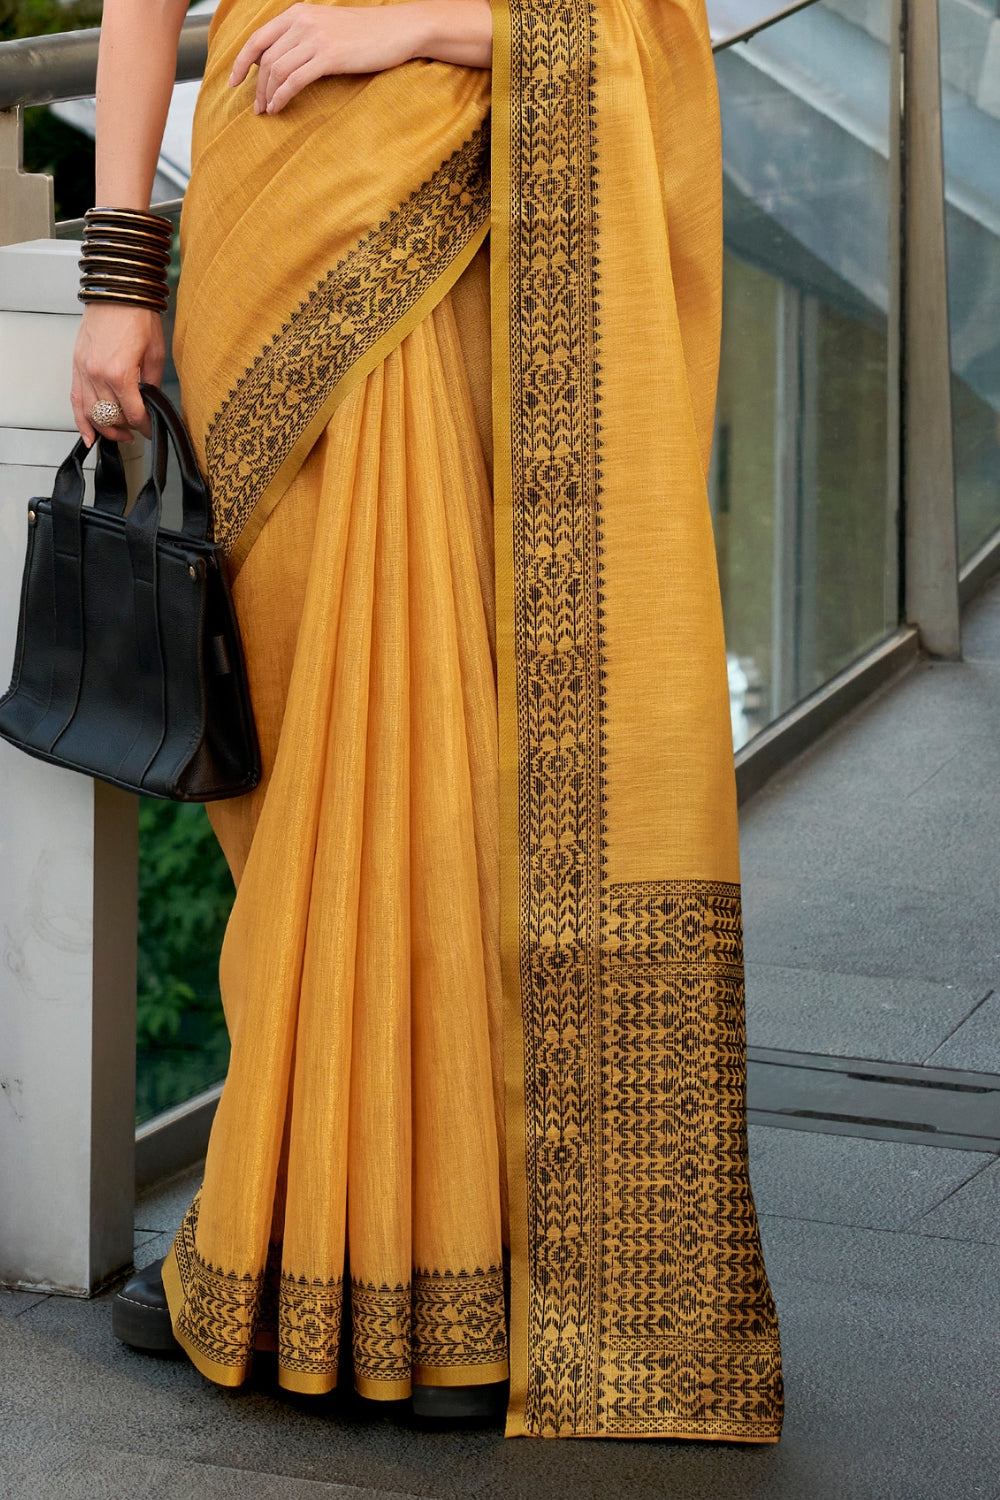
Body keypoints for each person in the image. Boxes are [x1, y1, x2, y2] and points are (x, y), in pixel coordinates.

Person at [73, 0, 784, 1441]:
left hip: (466, 235)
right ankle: (317, 1219)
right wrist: (117, 278)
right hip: (273, 241)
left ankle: (458, 1268)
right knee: (303, 774)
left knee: (457, 747)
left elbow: (647, 20)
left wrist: (417, 26)